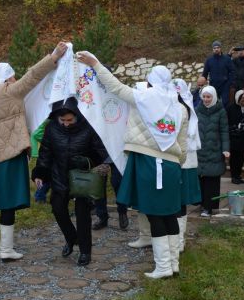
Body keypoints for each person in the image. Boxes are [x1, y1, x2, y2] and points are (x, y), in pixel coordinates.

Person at [79, 52, 188, 279]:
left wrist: (95, 63)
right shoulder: (180, 108)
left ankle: (163, 267)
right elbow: (183, 144)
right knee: (170, 215)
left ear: (149, 82)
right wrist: (178, 163)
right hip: (172, 165)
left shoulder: (142, 98)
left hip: (149, 163)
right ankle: (173, 264)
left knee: (155, 214)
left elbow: (115, 87)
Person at [0, 42, 68, 262]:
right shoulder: (8, 91)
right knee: (8, 203)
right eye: (13, 76)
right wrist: (53, 57)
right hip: (9, 154)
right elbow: (33, 76)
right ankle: (6, 251)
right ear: (8, 77)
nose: (16, 80)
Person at [32, 98, 109, 266]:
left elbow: (101, 151)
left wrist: (89, 161)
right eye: (63, 120)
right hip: (59, 175)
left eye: (69, 120)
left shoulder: (89, 127)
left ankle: (85, 251)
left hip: (83, 178)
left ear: (77, 116)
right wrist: (40, 172)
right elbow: (45, 151)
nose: (66, 124)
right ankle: (71, 238)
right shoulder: (52, 127)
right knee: (58, 209)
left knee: (83, 215)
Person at [173, 78, 201, 253]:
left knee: (180, 202)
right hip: (175, 160)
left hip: (184, 162)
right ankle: (174, 238)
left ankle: (179, 239)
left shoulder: (186, 110)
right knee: (175, 202)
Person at [196, 86, 229, 216]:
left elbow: (224, 131)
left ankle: (209, 207)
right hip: (200, 150)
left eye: (208, 97)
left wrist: (226, 149)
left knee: (212, 180)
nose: (206, 99)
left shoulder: (221, 111)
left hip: (214, 150)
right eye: (204, 96)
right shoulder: (198, 110)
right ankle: (202, 204)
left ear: (213, 97)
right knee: (201, 180)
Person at [92, 160, 129, 230]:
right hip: (100, 153)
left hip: (116, 153)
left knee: (118, 183)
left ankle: (122, 212)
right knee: (99, 185)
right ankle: (102, 217)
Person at [226, 89, 244, 184]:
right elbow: (227, 121)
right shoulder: (230, 108)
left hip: (243, 137)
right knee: (234, 157)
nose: (243, 102)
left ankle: (238, 175)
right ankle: (234, 176)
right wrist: (233, 128)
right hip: (234, 137)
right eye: (241, 100)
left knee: (241, 157)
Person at [202, 40, 234, 105]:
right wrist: (203, 84)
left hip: (225, 86)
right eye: (214, 48)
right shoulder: (209, 60)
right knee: (213, 103)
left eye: (217, 48)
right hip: (213, 85)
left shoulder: (227, 59)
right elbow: (205, 73)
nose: (216, 49)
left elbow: (232, 71)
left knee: (225, 103)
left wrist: (229, 83)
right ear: (212, 49)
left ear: (220, 48)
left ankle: (224, 115)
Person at [30, 119, 51, 203]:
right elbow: (36, 134)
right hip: (44, 152)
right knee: (44, 175)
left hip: (46, 151)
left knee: (45, 175)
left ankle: (40, 196)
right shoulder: (45, 117)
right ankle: (39, 197)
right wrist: (50, 140)